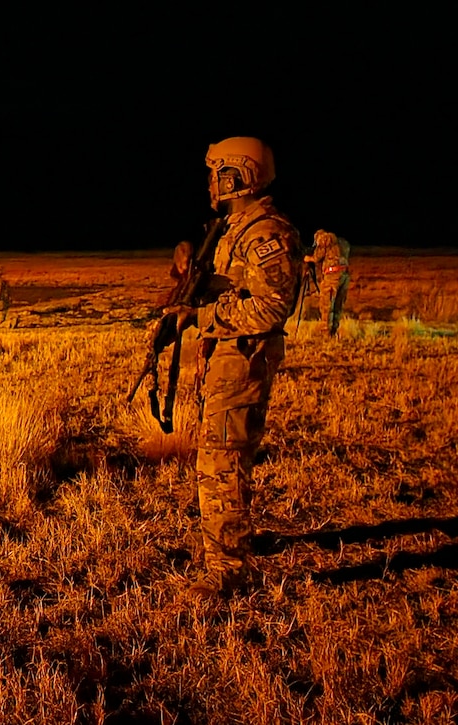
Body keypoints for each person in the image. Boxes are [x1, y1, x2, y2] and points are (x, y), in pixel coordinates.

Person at [166, 136, 303, 600]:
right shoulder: (233, 229)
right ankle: (227, 549)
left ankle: (227, 571)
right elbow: (232, 288)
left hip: (242, 360)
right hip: (227, 359)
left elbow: (271, 308)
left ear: (236, 175)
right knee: (219, 458)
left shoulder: (265, 232)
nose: (210, 182)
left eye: (215, 173)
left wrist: (203, 317)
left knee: (221, 463)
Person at [304, 229, 351, 337]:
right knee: (337, 305)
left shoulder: (324, 239)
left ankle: (326, 333)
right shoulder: (341, 243)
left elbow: (317, 258)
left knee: (326, 305)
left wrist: (308, 259)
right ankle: (334, 331)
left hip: (332, 276)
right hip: (344, 275)